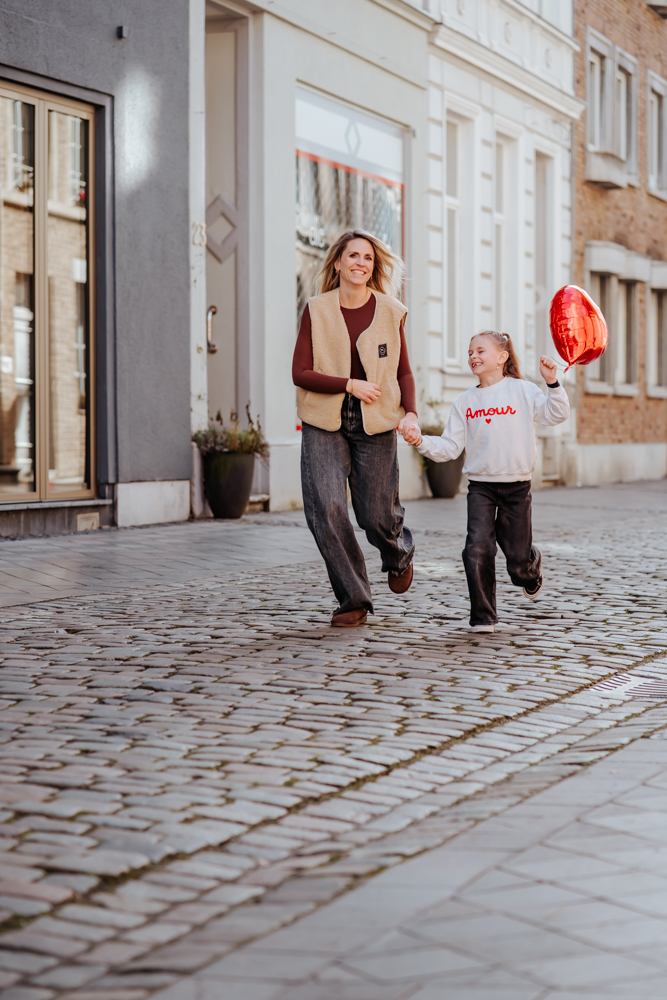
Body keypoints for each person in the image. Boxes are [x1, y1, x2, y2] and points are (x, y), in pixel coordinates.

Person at [400, 331, 570, 633]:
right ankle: (483, 616)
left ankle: (530, 568)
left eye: (480, 351)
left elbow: (556, 414)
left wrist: (552, 382)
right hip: (481, 487)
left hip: (518, 488)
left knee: (517, 561)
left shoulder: (522, 391)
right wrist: (421, 441)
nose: (472, 357)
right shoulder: (466, 401)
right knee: (477, 548)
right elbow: (450, 448)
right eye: (469, 352)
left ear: (502, 357)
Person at [292, 229, 420, 627]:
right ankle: (354, 599)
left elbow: (403, 370)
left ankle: (398, 552)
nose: (360, 263)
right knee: (327, 508)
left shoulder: (390, 311)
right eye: (353, 256)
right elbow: (300, 372)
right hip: (323, 419)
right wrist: (347, 384)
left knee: (376, 514)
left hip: (376, 420)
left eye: (367, 257)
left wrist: (411, 413)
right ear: (337, 263)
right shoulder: (317, 309)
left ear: (372, 266)